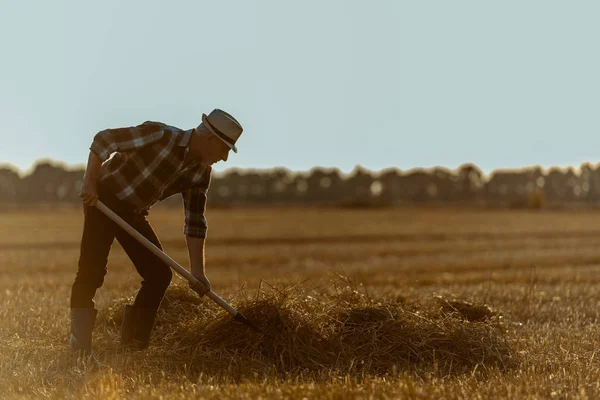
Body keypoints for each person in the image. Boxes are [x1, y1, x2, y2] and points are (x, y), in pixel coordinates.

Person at [70, 109, 243, 352]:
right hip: (104, 200)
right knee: (91, 272)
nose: (224, 158)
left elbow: (194, 221)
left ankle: (133, 347)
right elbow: (104, 140)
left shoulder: (200, 172)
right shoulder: (160, 135)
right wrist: (89, 181)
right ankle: (79, 348)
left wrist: (198, 273)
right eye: (225, 149)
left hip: (133, 212)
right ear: (210, 139)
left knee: (159, 275)